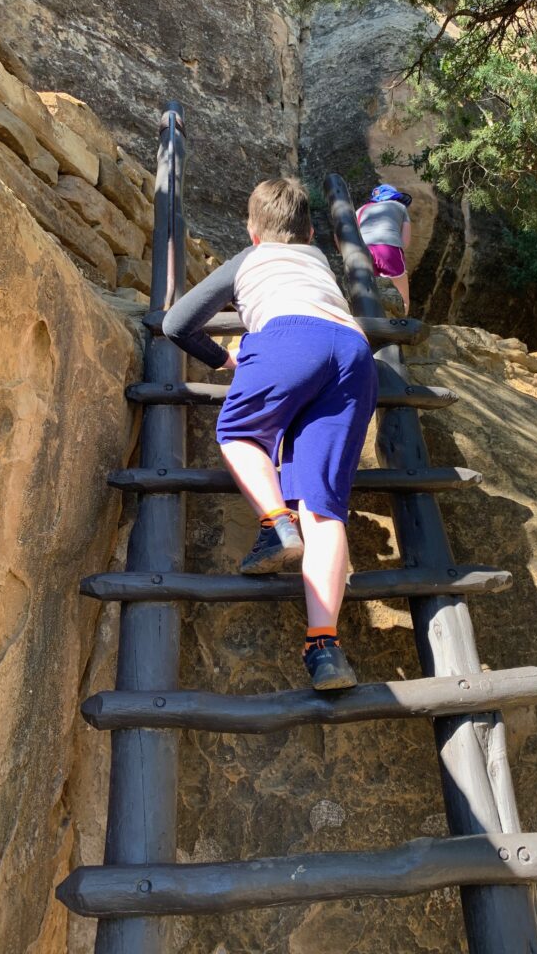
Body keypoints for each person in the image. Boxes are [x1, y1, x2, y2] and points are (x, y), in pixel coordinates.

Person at [161, 178, 377, 690]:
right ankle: (324, 647)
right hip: (351, 352)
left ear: (253, 231)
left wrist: (223, 357)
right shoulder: (317, 261)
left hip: (288, 339)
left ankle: (276, 523)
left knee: (238, 432)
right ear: (308, 230)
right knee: (324, 508)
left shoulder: (249, 261)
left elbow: (177, 323)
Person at [356, 183, 412, 314]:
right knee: (403, 298)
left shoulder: (360, 210)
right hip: (388, 249)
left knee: (371, 295)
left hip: (362, 252)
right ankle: (402, 323)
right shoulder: (400, 207)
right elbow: (405, 242)